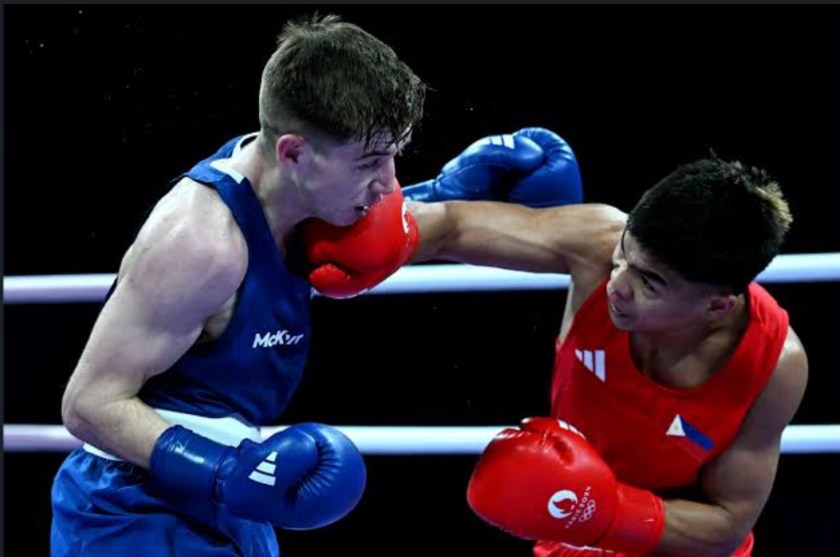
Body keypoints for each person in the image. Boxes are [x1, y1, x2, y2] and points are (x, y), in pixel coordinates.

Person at [50, 13, 429, 557]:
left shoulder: (299, 191)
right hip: (130, 511)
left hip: (228, 499)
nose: (389, 183)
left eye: (394, 155)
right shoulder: (201, 242)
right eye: (370, 162)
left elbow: (403, 220)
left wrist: (454, 186)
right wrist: (223, 470)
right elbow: (87, 404)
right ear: (293, 153)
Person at [406, 154, 808, 557]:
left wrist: (602, 510)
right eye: (623, 256)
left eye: (649, 283)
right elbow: (448, 227)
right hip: (569, 525)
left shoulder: (772, 365)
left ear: (716, 307)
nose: (617, 284)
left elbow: (727, 526)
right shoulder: (596, 242)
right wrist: (375, 221)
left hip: (669, 542)